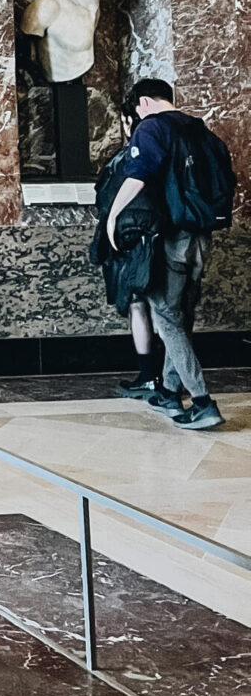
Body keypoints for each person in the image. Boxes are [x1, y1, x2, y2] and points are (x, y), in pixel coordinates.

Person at [106, 77, 225, 431]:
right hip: (202, 236)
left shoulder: (152, 127)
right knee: (181, 314)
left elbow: (138, 175)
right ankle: (170, 392)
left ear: (143, 102)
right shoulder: (203, 131)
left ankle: (202, 402)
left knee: (165, 316)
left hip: (173, 235)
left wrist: (113, 215)